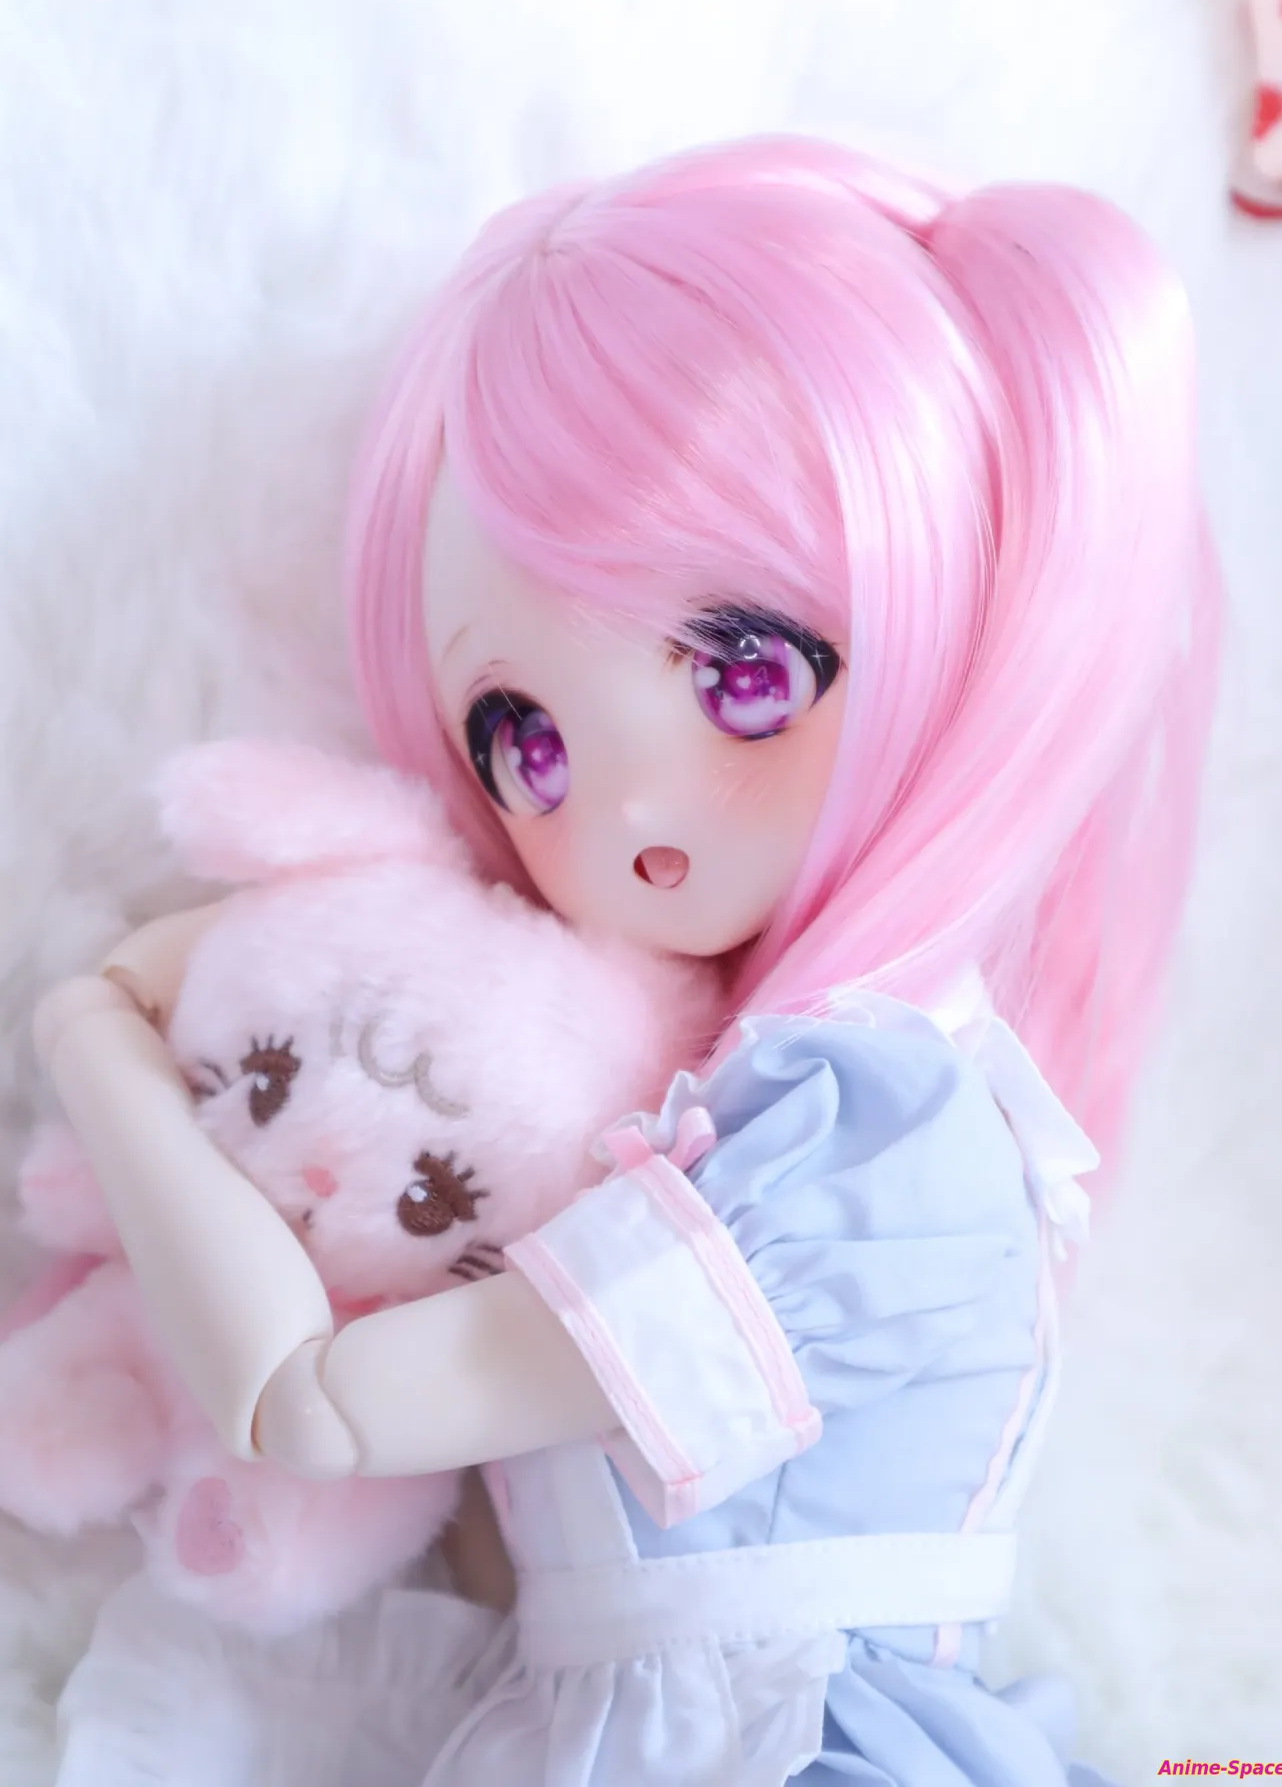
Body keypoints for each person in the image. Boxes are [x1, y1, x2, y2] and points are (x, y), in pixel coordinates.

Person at [33, 135, 1219, 1785]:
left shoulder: (871, 1141)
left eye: (747, 675)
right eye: (524, 740)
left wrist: (99, 1046)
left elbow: (306, 1401)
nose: (629, 813)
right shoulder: (692, 1117)